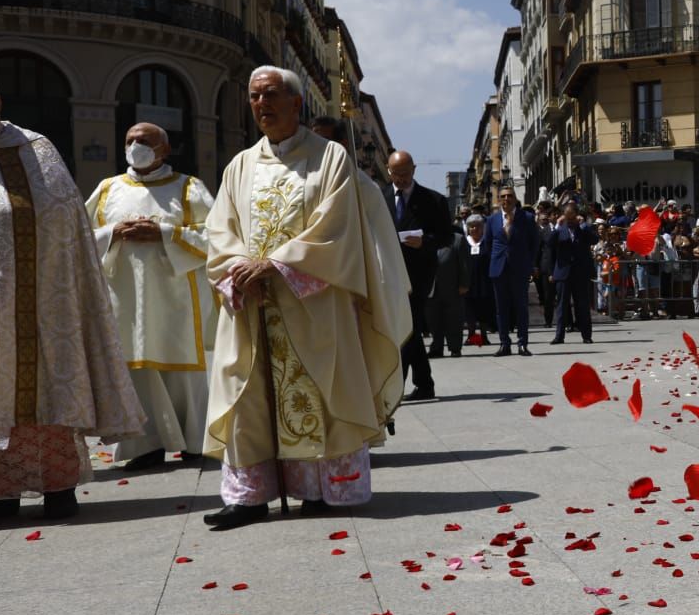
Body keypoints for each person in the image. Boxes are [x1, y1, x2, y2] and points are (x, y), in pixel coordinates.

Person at [200, 67, 409, 530]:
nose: (261, 104)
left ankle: (320, 488)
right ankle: (250, 496)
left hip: (310, 301)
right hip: (252, 301)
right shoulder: (239, 165)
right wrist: (239, 268)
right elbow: (220, 229)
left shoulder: (330, 158)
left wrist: (276, 264)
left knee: (320, 387)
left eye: (270, 95)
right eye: (254, 97)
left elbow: (337, 227)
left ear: (297, 103)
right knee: (248, 394)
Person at [0, 87, 144, 519]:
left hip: (44, 298)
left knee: (50, 384)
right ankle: (1, 492)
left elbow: (62, 211)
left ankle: (57, 487)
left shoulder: (35, 147)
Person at [85, 121, 217, 469]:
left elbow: (218, 237)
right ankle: (145, 447)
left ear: (164, 149)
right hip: (125, 300)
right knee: (137, 372)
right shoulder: (107, 189)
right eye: (130, 140)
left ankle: (195, 442)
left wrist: (165, 234)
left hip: (178, 300)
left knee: (184, 374)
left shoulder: (189, 188)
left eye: (143, 140)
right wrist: (113, 232)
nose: (135, 146)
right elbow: (81, 238)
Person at [386, 150, 452, 401]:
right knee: (408, 329)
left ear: (414, 170)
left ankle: (397, 387)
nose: (400, 179)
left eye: (404, 173)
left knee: (408, 325)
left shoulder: (433, 200)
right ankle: (424, 384)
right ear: (388, 170)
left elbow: (446, 237)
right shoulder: (379, 198)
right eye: (395, 174)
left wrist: (424, 242)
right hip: (388, 273)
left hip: (418, 275)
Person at [486, 187, 539, 356]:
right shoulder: (492, 220)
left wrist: (530, 264)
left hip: (519, 268)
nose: (506, 199)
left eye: (509, 196)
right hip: (499, 269)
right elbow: (488, 244)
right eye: (503, 196)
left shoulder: (527, 218)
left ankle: (522, 343)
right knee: (501, 308)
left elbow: (534, 243)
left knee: (521, 307)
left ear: (515, 198)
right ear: (499, 199)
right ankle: (504, 343)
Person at [429, 213, 486, 357]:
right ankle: (436, 348)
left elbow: (465, 265)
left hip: (452, 287)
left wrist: (464, 284)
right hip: (431, 287)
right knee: (434, 319)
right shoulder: (428, 239)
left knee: (453, 319)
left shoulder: (457, 239)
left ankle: (455, 348)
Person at [549, 201, 598, 344]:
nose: (570, 222)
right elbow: (549, 243)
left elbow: (595, 239)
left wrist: (583, 225)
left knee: (582, 305)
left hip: (580, 273)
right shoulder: (560, 230)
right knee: (561, 306)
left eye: (572, 218)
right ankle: (559, 336)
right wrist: (558, 226)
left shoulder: (582, 229)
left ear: (577, 216)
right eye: (567, 218)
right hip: (563, 273)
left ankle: (586, 335)